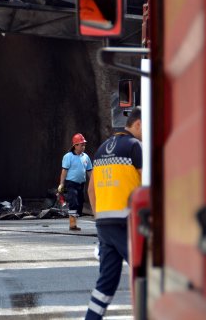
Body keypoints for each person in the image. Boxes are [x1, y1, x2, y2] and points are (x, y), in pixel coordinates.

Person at [85, 107, 143, 320]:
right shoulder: (135, 147)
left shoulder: (100, 150)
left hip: (104, 225)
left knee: (106, 281)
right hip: (126, 223)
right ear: (138, 124)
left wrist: (98, 216)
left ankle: (92, 318)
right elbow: (147, 186)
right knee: (145, 273)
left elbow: (91, 190)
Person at [58, 133, 93, 231]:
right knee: (73, 202)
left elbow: (90, 171)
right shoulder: (68, 156)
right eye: (81, 145)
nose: (83, 147)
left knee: (80, 203)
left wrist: (94, 183)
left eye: (84, 145)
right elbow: (64, 171)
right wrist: (61, 184)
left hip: (81, 184)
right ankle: (72, 224)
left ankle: (74, 221)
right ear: (75, 145)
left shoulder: (85, 157)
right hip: (71, 184)